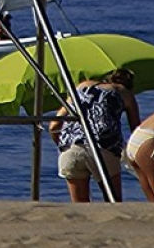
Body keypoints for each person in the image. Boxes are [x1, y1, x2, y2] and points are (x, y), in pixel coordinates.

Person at [49, 69, 140, 202]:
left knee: (80, 207)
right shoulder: (125, 93)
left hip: (71, 149)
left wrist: (63, 146)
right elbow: (136, 131)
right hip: (104, 148)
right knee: (113, 203)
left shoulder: (81, 86)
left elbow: (54, 126)